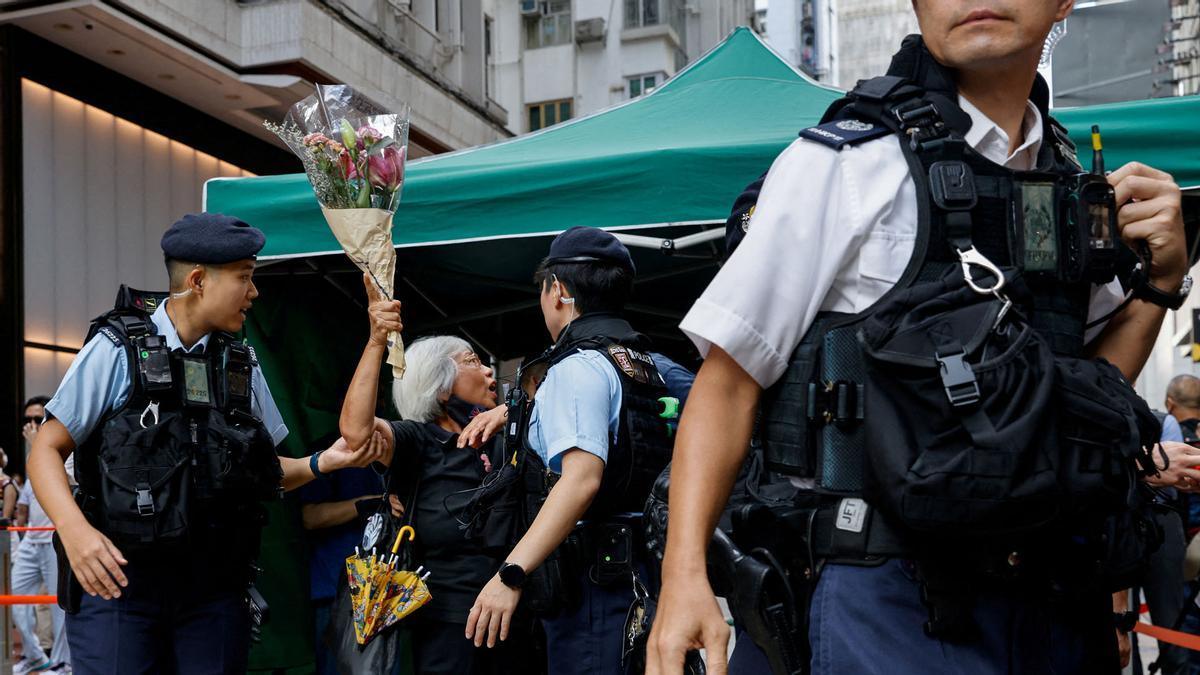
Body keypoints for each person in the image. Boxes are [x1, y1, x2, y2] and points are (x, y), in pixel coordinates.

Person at [647, 1, 1197, 673]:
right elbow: (726, 383)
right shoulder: (846, 163)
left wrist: (1159, 283)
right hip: (889, 600)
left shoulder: (1066, 178)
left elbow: (1089, 391)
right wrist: (683, 580)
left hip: (1053, 599)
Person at [25, 212, 386, 674]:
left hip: (213, 592)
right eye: (244, 278)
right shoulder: (117, 350)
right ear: (198, 280)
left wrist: (321, 462)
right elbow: (45, 450)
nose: (254, 293)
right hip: (120, 587)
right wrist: (75, 533)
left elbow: (266, 472)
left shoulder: (241, 364)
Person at [459, 226, 674, 675]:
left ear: (558, 290)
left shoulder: (576, 370)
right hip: (640, 571)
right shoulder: (642, 364)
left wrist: (511, 573)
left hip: (591, 584)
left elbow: (581, 479)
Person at [340, 282, 532, 675]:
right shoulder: (418, 438)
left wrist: (512, 414)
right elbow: (357, 433)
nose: (488, 371)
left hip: (519, 609)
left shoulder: (509, 434)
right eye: (473, 361)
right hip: (449, 618)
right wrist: (377, 340)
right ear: (441, 385)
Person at [295, 436, 392, 675]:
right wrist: (367, 504)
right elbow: (311, 516)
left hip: (385, 591)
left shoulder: (397, 445)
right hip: (337, 591)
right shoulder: (328, 450)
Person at [11, 396, 70, 674]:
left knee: (59, 606)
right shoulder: (32, 452)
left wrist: (38, 448)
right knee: (14, 596)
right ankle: (35, 657)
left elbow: (70, 481)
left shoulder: (63, 443)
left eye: (38, 419)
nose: (31, 425)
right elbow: (28, 496)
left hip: (53, 536)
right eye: (27, 420)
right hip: (31, 539)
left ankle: (61, 663)